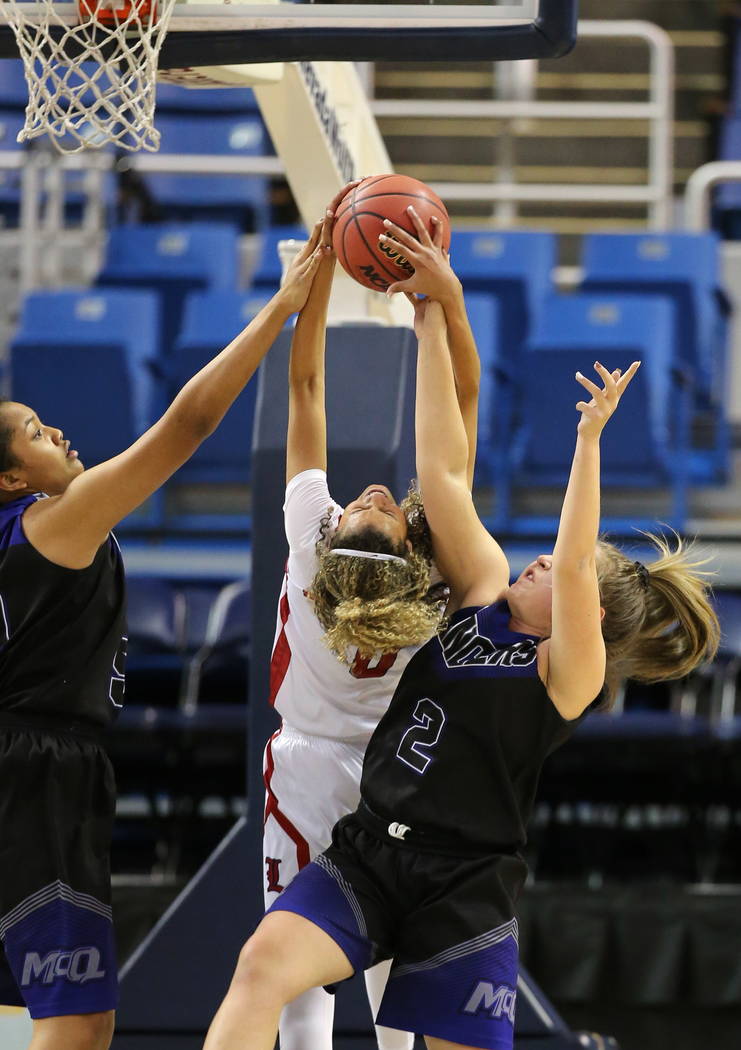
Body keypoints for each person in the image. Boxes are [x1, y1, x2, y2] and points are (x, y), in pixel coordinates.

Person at [203, 212, 720, 1050]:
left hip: (464, 880)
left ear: (584, 615)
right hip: (370, 850)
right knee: (263, 967)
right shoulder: (475, 589)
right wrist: (433, 313)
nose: (541, 564)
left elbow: (578, 565)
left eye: (556, 569)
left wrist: (586, 444)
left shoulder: (568, 674)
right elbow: (443, 463)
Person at [0, 230, 328, 1050]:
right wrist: (280, 309)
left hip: (30, 763)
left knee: (57, 1011)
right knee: (77, 1016)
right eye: (37, 434)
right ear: (11, 480)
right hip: (34, 773)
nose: (60, 435)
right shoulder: (48, 525)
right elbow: (186, 427)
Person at [263, 190, 481, 1050]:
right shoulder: (436, 590)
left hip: (305, 770)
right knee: (394, 981)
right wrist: (443, 301)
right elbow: (461, 415)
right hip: (399, 777)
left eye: (358, 503)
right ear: (406, 549)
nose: (371, 492)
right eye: (379, 506)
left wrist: (311, 283)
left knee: (295, 975)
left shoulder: (313, 552)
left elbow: (306, 385)